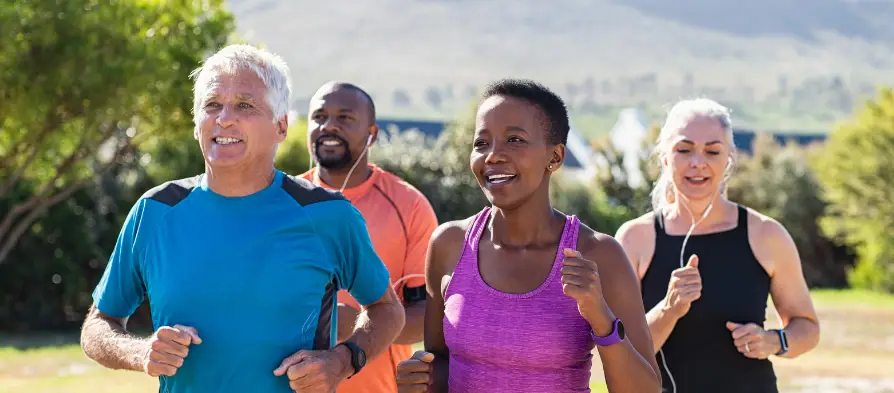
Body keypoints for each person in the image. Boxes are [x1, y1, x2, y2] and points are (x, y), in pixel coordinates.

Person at [79, 44, 406, 393]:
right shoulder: (155, 211)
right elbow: (97, 326)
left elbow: (387, 310)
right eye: (212, 105)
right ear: (196, 125)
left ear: (281, 126)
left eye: (245, 106)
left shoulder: (328, 215)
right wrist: (141, 351)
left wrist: (342, 360)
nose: (224, 119)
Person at [394, 78, 661, 393]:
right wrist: (420, 381)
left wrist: (600, 316)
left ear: (555, 157)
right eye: (482, 143)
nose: (493, 155)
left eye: (515, 140)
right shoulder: (448, 245)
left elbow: (646, 389)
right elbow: (440, 362)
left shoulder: (599, 254)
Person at [614, 98, 821, 393]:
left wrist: (776, 340)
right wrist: (669, 309)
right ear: (664, 157)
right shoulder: (634, 239)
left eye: (712, 151)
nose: (698, 163)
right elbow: (620, 352)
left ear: (729, 159)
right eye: (684, 150)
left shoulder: (766, 234)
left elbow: (808, 328)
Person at [298, 81, 439, 393]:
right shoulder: (281, 203)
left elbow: (428, 313)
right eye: (319, 117)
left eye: (345, 118)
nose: (329, 126)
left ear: (371, 134)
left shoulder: (409, 206)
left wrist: (358, 323)